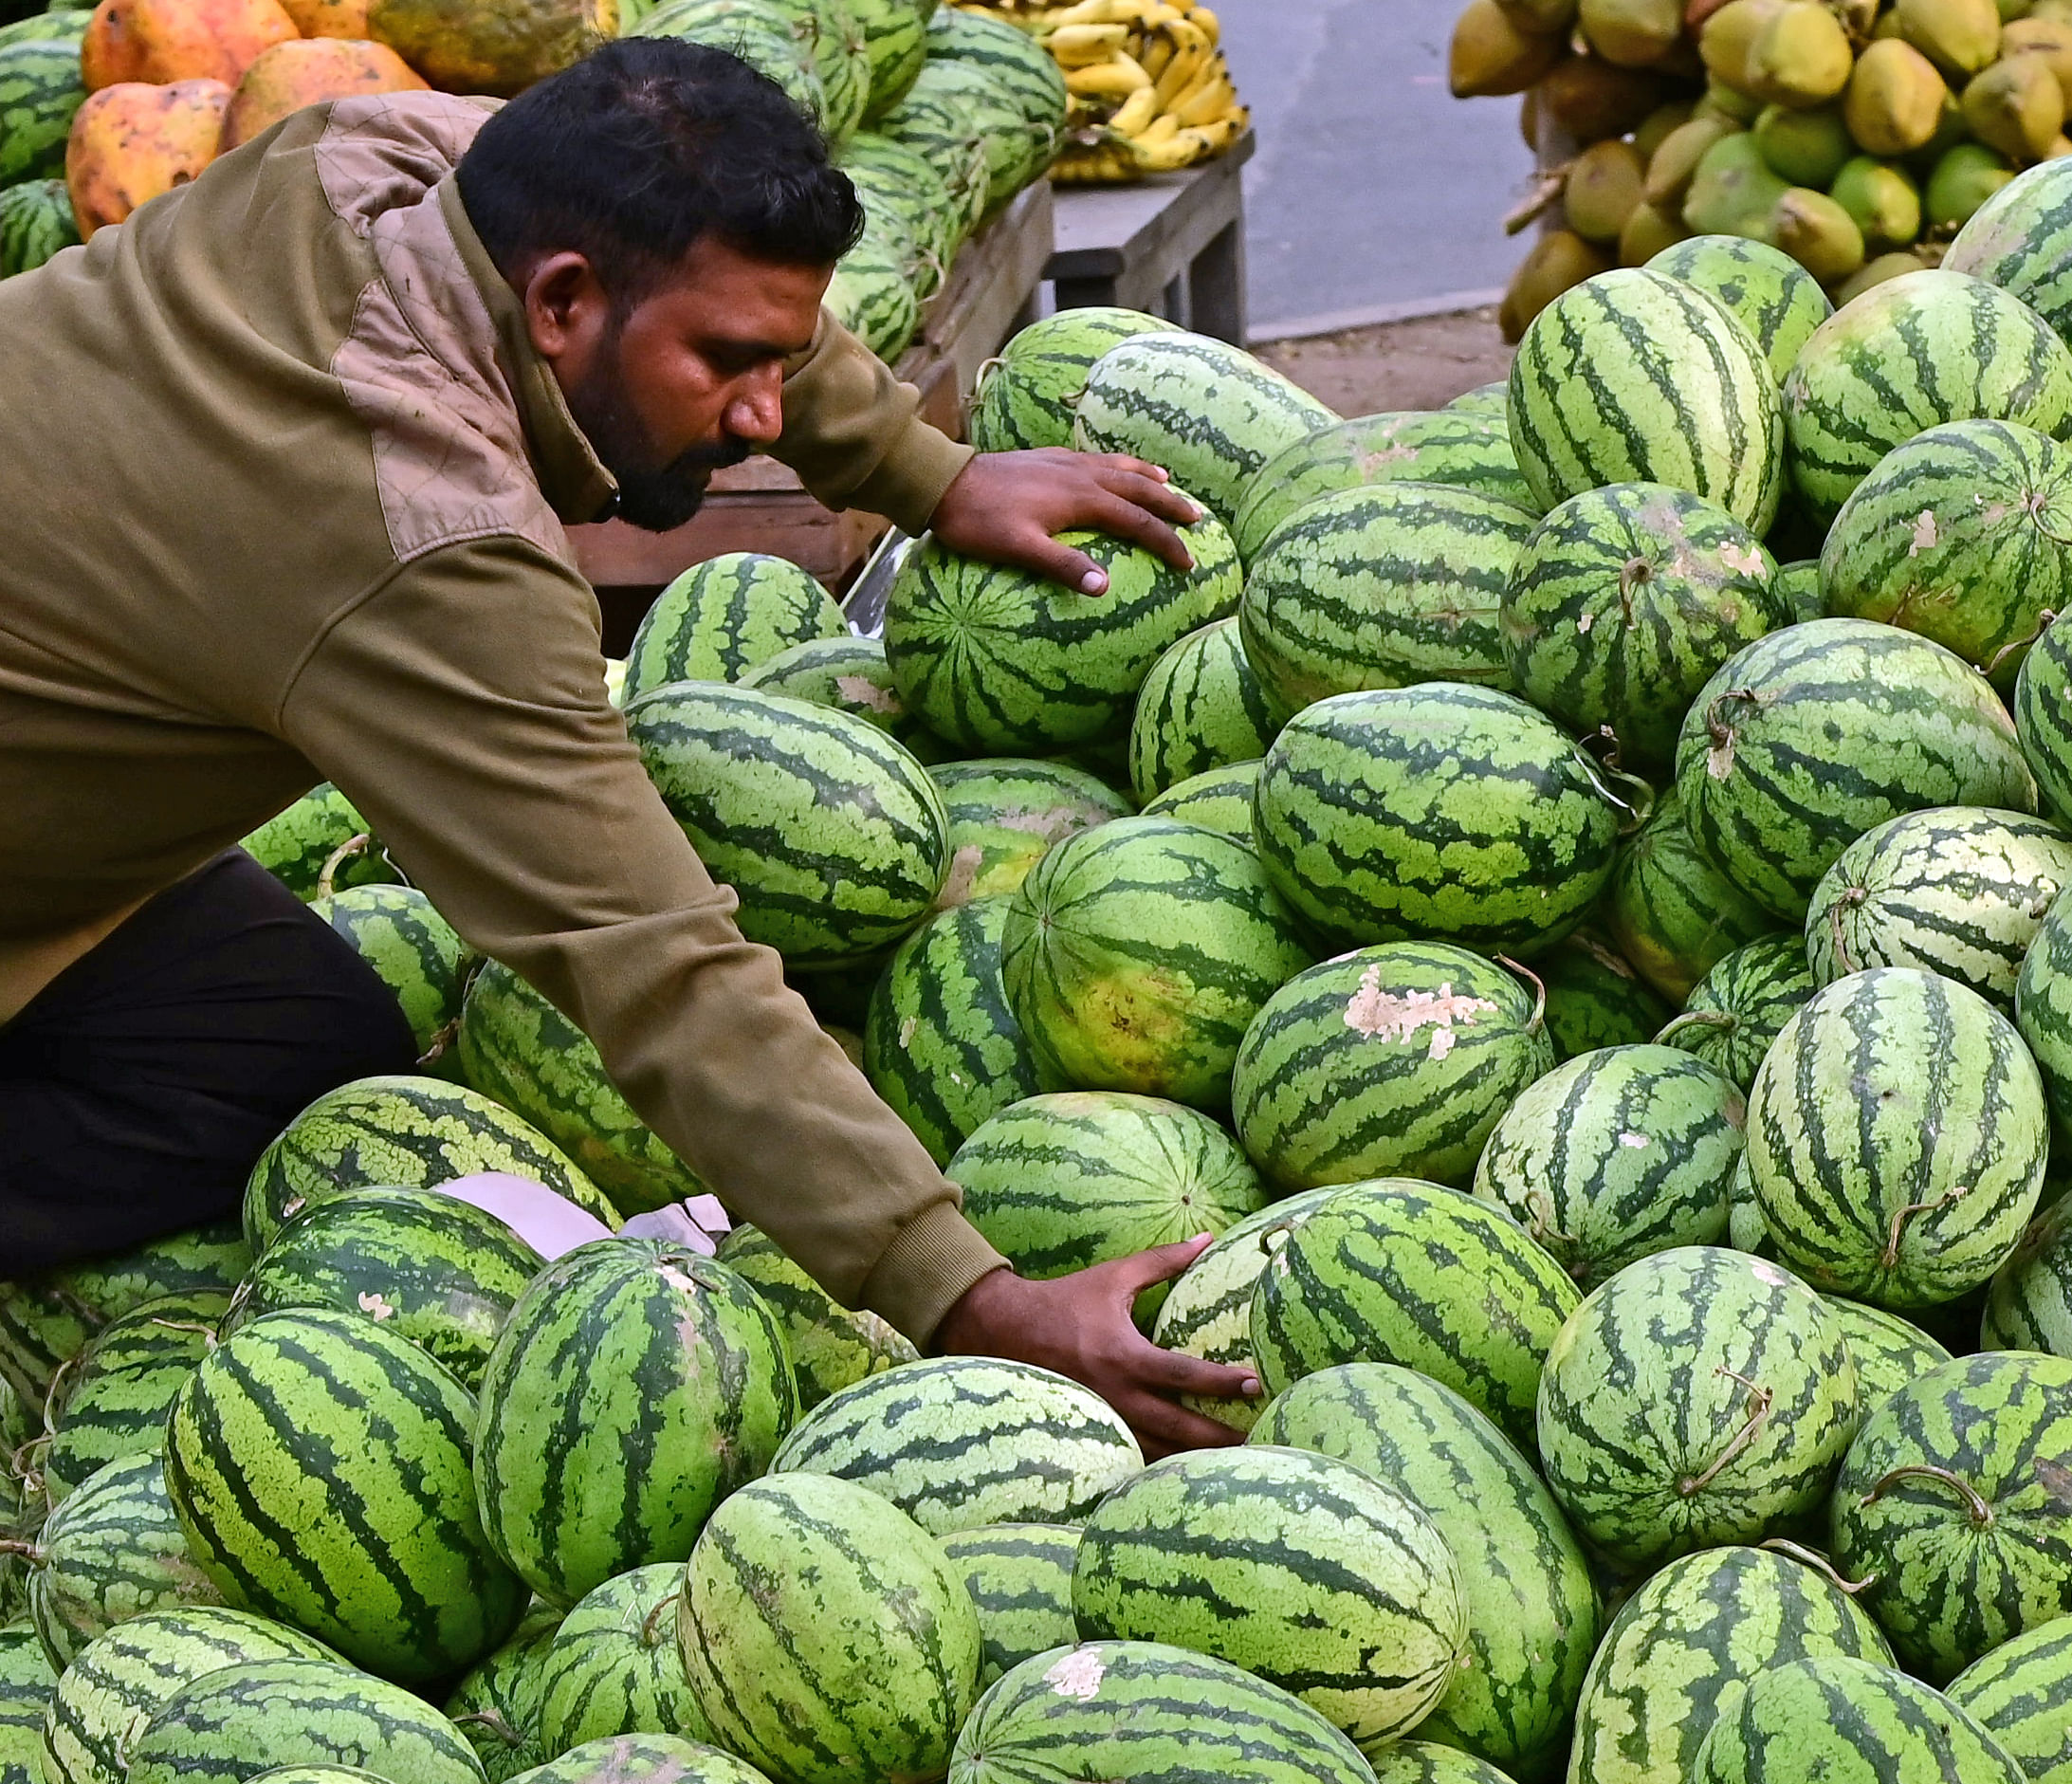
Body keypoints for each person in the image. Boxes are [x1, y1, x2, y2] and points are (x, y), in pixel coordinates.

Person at [0, 38, 1252, 1445]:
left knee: (302, 1038)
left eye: (780, 362)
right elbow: (656, 969)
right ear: (561, 304)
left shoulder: (375, 162)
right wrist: (971, 1296)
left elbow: (722, 284)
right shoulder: (419, 536)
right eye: (727, 366)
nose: (765, 417)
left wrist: (928, 475)